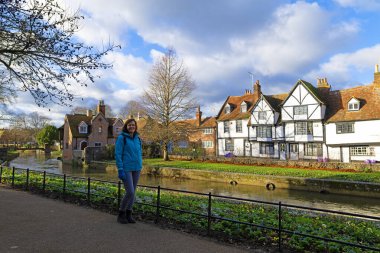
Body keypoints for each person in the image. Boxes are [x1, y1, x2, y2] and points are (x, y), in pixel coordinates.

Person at [115, 118, 142, 224]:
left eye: (133, 125)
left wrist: (141, 163)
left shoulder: (138, 138)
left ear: (135, 127)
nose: (132, 127)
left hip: (137, 168)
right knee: (130, 191)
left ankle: (129, 213)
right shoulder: (122, 138)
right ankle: (121, 213)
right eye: (129, 125)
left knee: (133, 193)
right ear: (126, 126)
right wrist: (120, 169)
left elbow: (139, 152)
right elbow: (118, 154)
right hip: (126, 168)